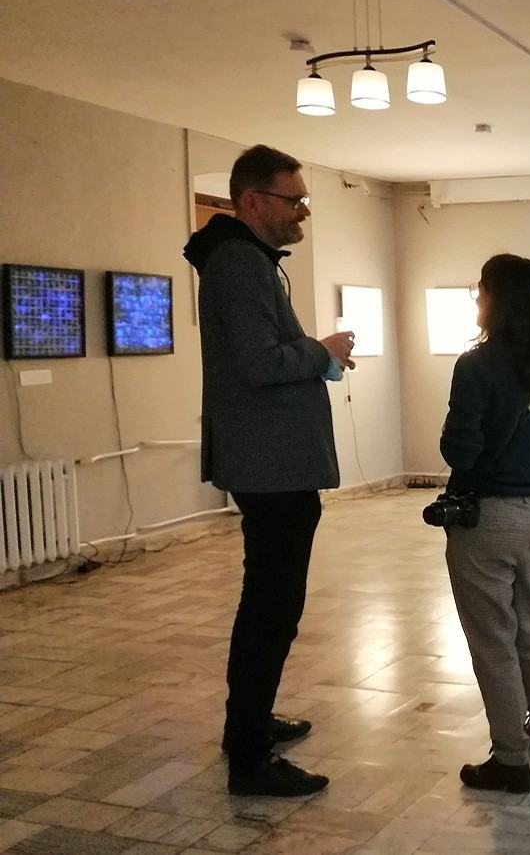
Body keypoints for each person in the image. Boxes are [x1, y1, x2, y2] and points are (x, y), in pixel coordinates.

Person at [183, 144, 355, 797]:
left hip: (274, 461)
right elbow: (259, 364)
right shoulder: (238, 264)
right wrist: (321, 349)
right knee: (271, 609)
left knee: (271, 604)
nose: (302, 211)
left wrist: (314, 354)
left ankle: (248, 726)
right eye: (294, 199)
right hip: (271, 463)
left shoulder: (247, 261)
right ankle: (250, 757)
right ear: (252, 201)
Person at [440, 253, 530, 794]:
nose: (477, 297)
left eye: (481, 289)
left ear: (497, 298)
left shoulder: (475, 366)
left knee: (492, 637)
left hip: (486, 516)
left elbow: (459, 449)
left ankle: (510, 759)